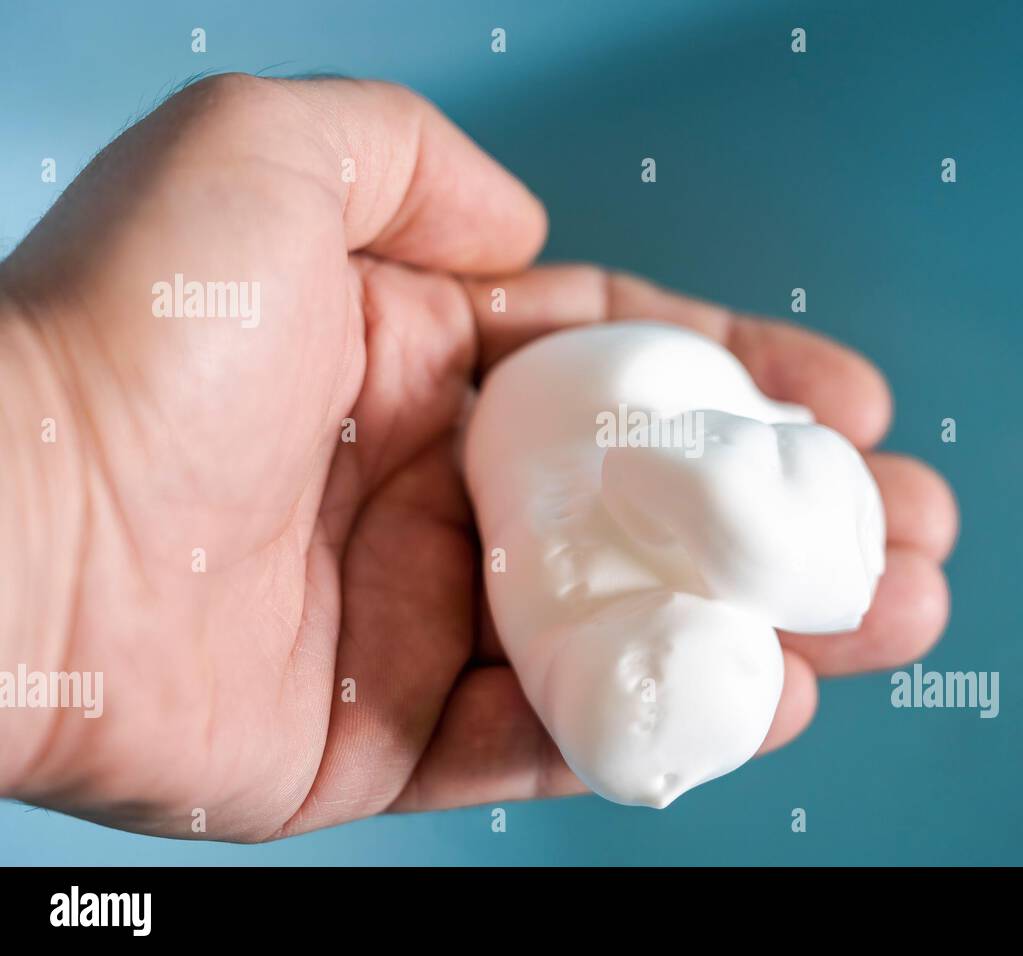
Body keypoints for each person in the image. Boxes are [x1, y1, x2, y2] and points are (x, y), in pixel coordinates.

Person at [0, 74, 957, 841]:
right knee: (769, 545)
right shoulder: (622, 590)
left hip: (604, 418)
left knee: (773, 548)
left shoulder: (610, 606)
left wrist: (71, 468)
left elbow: (656, 489)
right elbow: (649, 480)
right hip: (611, 416)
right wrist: (68, 449)